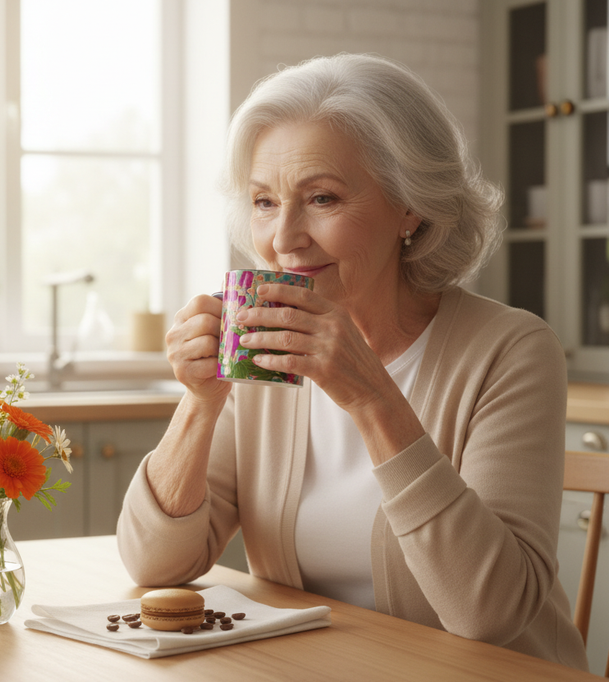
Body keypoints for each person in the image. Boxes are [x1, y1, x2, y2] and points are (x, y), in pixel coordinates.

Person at [116, 53, 590, 671]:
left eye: (322, 198)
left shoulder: (512, 351)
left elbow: (490, 613)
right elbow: (156, 565)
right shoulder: (265, 353)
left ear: (410, 208)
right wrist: (201, 401)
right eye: (264, 201)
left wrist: (371, 397)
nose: (284, 237)